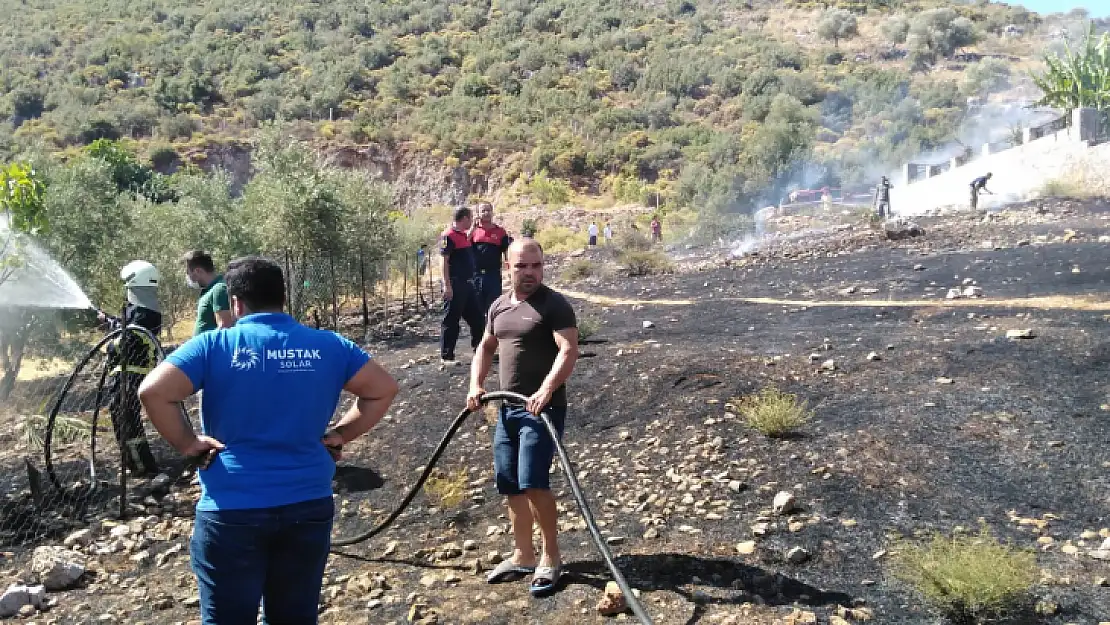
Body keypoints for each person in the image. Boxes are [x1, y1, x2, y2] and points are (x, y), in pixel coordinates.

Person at [138, 256, 399, 625]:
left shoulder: (214, 346)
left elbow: (153, 392)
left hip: (232, 509)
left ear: (236, 303)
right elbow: (383, 390)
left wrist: (188, 443)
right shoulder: (330, 346)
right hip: (308, 504)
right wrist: (341, 434)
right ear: (282, 297)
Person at [467, 239, 579, 597]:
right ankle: (523, 555)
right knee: (510, 483)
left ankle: (551, 557)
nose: (530, 273)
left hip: (541, 410)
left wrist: (546, 390)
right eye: (522, 267)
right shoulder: (499, 306)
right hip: (506, 410)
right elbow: (485, 347)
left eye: (536, 266)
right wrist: (475, 384)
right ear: (508, 267)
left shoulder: (554, 305)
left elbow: (568, 349)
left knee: (534, 483)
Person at [98, 260, 163, 477]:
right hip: (129, 374)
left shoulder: (145, 312)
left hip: (130, 375)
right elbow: (127, 329)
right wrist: (109, 321)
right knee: (123, 416)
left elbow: (127, 340)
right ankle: (135, 463)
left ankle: (142, 466)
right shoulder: (141, 310)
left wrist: (111, 337)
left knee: (126, 417)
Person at [440, 206, 485, 365]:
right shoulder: (448, 236)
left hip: (468, 284)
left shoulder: (462, 235)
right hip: (455, 283)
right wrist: (447, 285)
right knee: (451, 320)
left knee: (478, 319)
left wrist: (474, 227)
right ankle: (447, 357)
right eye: (470, 218)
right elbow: (443, 261)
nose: (471, 221)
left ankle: (480, 351)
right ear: (464, 218)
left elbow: (467, 235)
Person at [469, 202, 512, 317]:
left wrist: (510, 270)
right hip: (476, 275)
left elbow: (507, 251)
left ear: (492, 212)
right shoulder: (473, 232)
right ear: (477, 214)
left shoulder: (500, 232)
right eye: (483, 210)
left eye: (488, 210)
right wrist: (472, 228)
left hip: (493, 275)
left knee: (494, 307)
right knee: (477, 309)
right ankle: (480, 334)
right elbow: (464, 244)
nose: (486, 213)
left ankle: (493, 333)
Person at [182, 251, 234, 336]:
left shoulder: (219, 289)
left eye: (188, 272)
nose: (188, 277)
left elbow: (225, 327)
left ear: (198, 271)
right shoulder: (208, 290)